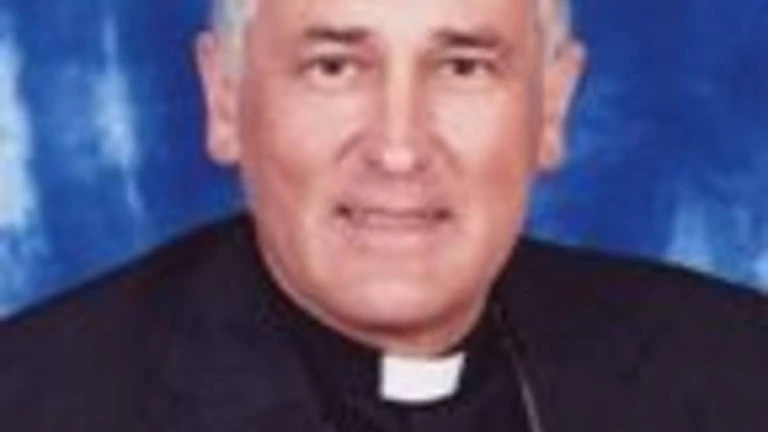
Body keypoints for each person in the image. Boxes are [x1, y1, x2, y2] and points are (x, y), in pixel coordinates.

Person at [1, 0, 766, 431]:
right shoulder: (33, 401)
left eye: (463, 66)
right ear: (226, 98)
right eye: (334, 67)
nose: (399, 150)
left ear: (552, 107)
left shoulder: (741, 370)